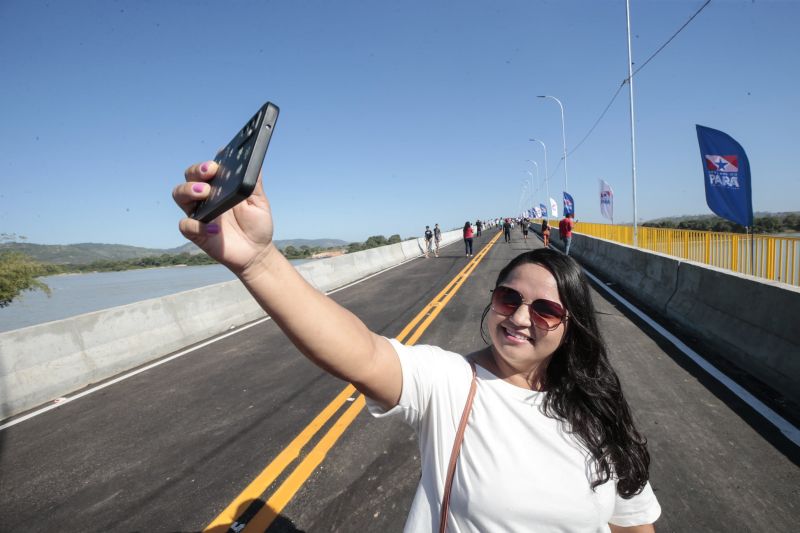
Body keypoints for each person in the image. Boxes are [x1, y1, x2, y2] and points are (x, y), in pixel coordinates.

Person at [172, 160, 661, 532]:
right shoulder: (453, 383)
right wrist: (258, 261)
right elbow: (363, 353)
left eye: (545, 310)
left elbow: (633, 525)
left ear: (572, 327)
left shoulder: (601, 413)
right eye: (508, 298)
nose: (518, 317)